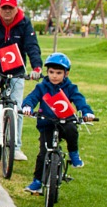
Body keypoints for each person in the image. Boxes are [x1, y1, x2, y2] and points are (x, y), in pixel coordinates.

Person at [0, 0, 43, 161]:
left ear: (16, 9)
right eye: (4, 8)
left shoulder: (25, 23)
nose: (7, 11)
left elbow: (31, 46)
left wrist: (36, 67)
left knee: (17, 106)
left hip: (16, 67)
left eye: (10, 8)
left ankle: (16, 147)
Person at [21, 52, 97, 194]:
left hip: (66, 120)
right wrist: (27, 106)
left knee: (72, 131)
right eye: (51, 72)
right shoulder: (42, 87)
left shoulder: (70, 88)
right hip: (47, 123)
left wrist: (86, 112)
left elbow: (80, 100)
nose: (54, 76)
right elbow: (32, 97)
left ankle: (74, 154)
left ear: (66, 74)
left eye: (58, 73)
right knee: (43, 153)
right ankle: (37, 181)